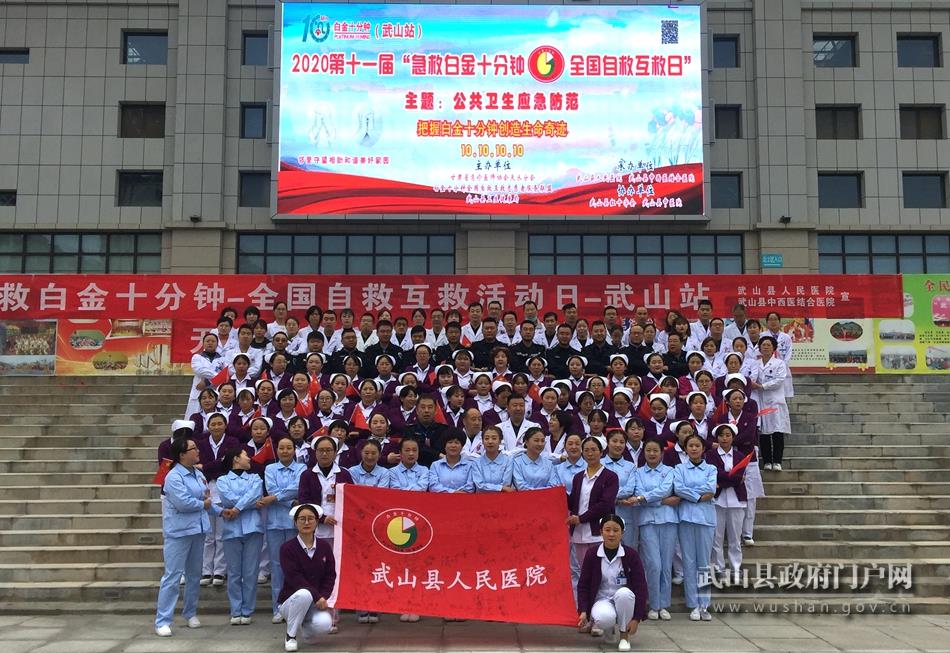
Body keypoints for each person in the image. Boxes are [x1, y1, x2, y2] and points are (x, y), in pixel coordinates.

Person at [154, 438, 214, 637]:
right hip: (179, 532)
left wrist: (221, 510)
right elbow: (183, 503)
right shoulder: (173, 476)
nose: (198, 451)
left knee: (194, 575)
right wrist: (203, 504)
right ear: (182, 454)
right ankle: (163, 620)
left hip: (198, 529)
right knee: (172, 576)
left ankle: (190, 612)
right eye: (193, 449)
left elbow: (206, 497)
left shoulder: (198, 473)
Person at [576, 514, 648, 651]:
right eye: (607, 530)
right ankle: (609, 630)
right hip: (602, 599)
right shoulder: (592, 554)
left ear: (622, 532)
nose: (611, 534)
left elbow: (641, 587)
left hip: (624, 599)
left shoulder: (631, 555)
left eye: (616, 530)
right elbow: (583, 585)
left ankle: (624, 636)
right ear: (601, 532)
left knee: (624, 593)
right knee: (603, 618)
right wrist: (583, 610)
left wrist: (636, 618)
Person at [626, 438, 678, 621]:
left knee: (666, 564)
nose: (652, 453)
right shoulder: (638, 472)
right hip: (647, 521)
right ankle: (654, 604)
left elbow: (665, 490)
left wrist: (644, 499)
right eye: (648, 450)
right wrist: (661, 501)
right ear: (644, 452)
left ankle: (664, 604)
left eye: (655, 450)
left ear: (662, 453)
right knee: (653, 564)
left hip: (668, 520)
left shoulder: (670, 471)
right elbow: (638, 492)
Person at [217, 448, 265, 625]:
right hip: (231, 530)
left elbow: (255, 494)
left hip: (253, 528)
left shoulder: (255, 478)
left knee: (251, 572)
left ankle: (247, 610)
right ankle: (236, 610)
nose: (249, 458)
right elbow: (227, 499)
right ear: (236, 459)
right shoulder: (222, 480)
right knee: (234, 572)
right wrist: (248, 504)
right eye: (245, 456)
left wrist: (237, 508)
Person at [672, 433, 717, 621]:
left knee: (704, 562)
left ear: (703, 448)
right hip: (686, 518)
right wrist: (698, 497)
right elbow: (678, 488)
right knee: (689, 561)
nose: (694, 448)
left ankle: (704, 604)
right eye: (690, 445)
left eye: (697, 445)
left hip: (705, 519)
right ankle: (693, 605)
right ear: (685, 449)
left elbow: (711, 489)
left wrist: (690, 494)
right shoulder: (679, 468)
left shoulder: (711, 469)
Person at [261, 436, 307, 623]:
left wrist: (275, 498)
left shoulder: (302, 468)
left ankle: (295, 608)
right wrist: (290, 501)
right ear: (277, 450)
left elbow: (298, 488)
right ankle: (278, 607)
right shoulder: (270, 469)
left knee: (296, 566)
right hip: (274, 523)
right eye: (282, 448)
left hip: (295, 524)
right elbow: (272, 490)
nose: (285, 451)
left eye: (289, 448)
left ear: (294, 450)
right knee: (277, 565)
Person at [278, 504, 335, 652]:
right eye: (302, 519)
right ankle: (290, 636)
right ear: (295, 522)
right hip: (291, 601)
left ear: (317, 521)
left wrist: (324, 596)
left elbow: (330, 575)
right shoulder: (287, 548)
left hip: (315, 602)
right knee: (304, 593)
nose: (307, 522)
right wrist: (316, 596)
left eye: (311, 518)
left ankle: (306, 629)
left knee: (325, 623)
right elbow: (294, 577)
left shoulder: (324, 547)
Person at [568, 437, 620, 591]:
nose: (590, 453)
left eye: (593, 450)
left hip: (598, 532)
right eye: (586, 450)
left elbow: (605, 505)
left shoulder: (610, 477)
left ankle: (603, 601)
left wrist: (581, 518)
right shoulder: (578, 477)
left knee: (601, 571)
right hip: (579, 533)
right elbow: (573, 502)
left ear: (601, 452)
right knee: (584, 571)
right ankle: (586, 603)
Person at [198, 412, 240, 586]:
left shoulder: (232, 442)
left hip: (225, 490)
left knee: (222, 534)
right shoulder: (201, 444)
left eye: (219, 423)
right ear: (208, 426)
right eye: (213, 424)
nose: (216, 427)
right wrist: (217, 464)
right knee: (208, 535)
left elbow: (229, 464)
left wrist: (206, 467)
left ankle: (220, 571)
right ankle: (206, 570)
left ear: (225, 425)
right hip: (206, 491)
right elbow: (201, 467)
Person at [706, 424, 748, 580]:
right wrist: (732, 477)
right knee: (716, 537)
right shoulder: (710, 455)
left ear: (733, 437)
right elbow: (714, 474)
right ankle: (719, 568)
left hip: (736, 500)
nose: (724, 438)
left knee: (735, 537)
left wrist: (724, 479)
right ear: (717, 437)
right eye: (721, 435)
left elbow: (740, 477)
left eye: (728, 435)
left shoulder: (739, 456)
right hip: (717, 500)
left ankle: (736, 568)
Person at [751, 335, 791, 470]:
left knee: (777, 431)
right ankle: (767, 461)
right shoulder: (755, 363)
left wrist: (762, 386)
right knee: (764, 432)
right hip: (761, 401)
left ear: (774, 348)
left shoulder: (779, 363)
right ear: (759, 348)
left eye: (769, 345)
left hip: (775, 401)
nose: (766, 347)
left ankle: (777, 461)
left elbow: (779, 380)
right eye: (763, 345)